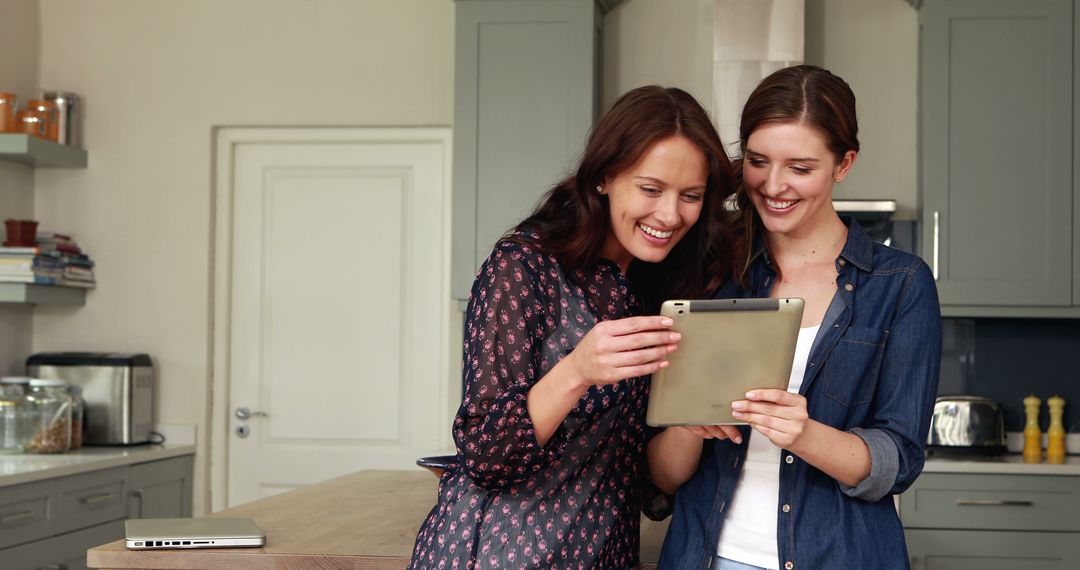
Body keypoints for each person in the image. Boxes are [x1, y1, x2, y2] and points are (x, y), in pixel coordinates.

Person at [408, 86, 738, 569]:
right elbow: (485, 456)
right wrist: (577, 370)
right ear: (605, 177)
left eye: (690, 196)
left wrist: (692, 420)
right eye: (650, 189)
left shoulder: (661, 288)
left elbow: (649, 481)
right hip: (499, 555)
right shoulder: (524, 266)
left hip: (603, 554)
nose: (670, 215)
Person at [649, 65, 942, 570]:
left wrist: (803, 434)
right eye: (759, 162)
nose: (774, 185)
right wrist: (687, 424)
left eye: (801, 168)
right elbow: (662, 476)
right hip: (705, 555)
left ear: (844, 163)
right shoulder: (712, 268)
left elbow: (898, 460)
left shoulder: (900, 284)